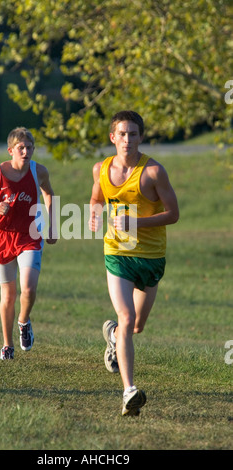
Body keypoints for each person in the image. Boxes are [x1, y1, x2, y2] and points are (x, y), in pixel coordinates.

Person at [89, 111, 179, 416]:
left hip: (151, 257)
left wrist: (135, 222)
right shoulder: (100, 169)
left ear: (141, 137)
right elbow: (97, 197)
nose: (127, 140)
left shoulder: (154, 172)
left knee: (136, 326)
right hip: (117, 252)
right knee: (127, 317)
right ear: (112, 137)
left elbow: (174, 214)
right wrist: (94, 213)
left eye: (133, 134)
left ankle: (113, 335)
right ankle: (129, 392)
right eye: (121, 134)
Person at [0, 127, 57, 360]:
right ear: (11, 150)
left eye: (29, 147)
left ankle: (24, 321)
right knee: (8, 294)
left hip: (29, 234)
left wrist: (52, 225)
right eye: (21, 148)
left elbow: (49, 194)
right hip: (3, 236)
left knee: (28, 288)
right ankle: (7, 345)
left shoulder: (39, 171)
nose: (26, 151)